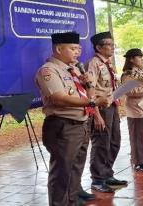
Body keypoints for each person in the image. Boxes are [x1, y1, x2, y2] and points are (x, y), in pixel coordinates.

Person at [35, 32, 111, 206]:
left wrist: (89, 84)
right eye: (73, 48)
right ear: (59, 49)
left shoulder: (76, 69)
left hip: (81, 124)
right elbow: (58, 98)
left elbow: (87, 94)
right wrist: (92, 101)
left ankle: (72, 200)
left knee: (76, 167)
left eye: (78, 48)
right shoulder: (48, 70)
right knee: (62, 171)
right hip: (63, 125)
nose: (77, 52)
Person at [86, 31, 127, 193]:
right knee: (101, 142)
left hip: (112, 106)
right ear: (98, 47)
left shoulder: (108, 63)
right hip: (101, 109)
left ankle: (107, 174)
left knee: (114, 141)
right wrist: (95, 114)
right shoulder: (93, 64)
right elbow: (91, 90)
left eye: (112, 44)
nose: (112, 47)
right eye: (109, 45)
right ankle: (97, 179)